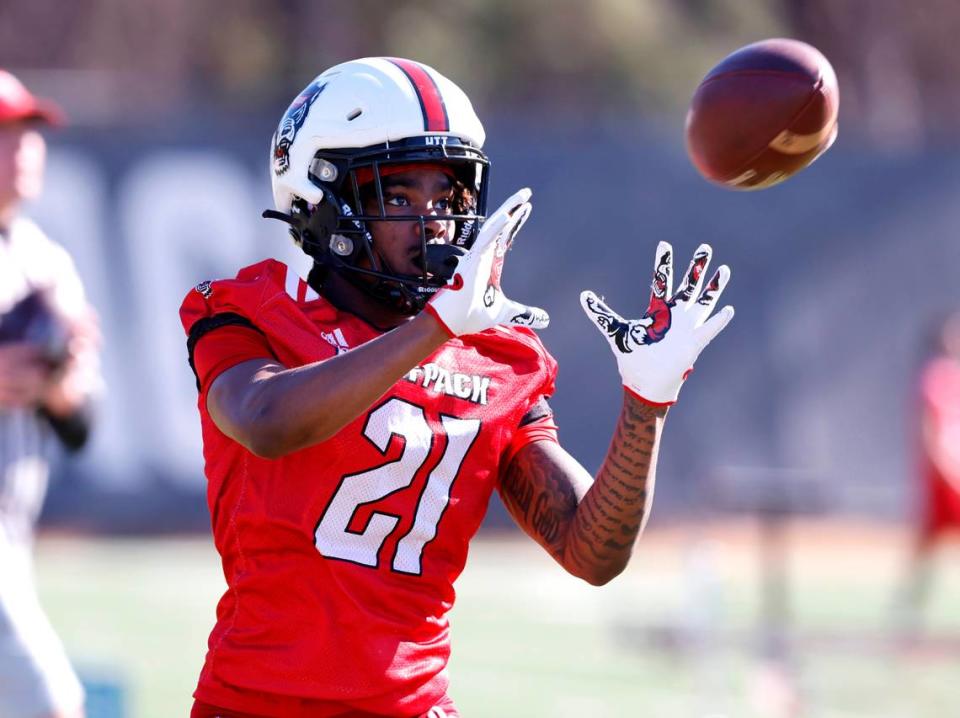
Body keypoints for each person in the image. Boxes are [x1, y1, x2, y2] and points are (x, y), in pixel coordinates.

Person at [181, 57, 734, 718]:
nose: (434, 222)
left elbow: (592, 552)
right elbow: (266, 420)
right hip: (259, 705)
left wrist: (647, 404)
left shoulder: (494, 352)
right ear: (321, 198)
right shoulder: (254, 310)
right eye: (398, 196)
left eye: (448, 197)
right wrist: (437, 327)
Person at [0, 69, 101, 718]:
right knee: (50, 704)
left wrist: (60, 387)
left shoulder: (45, 261)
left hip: (13, 536)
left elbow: (82, 426)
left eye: (29, 134)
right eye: (6, 135)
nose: (24, 150)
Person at [895, 310, 960, 638]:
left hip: (956, 478)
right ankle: (908, 615)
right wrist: (945, 467)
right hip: (942, 480)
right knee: (925, 550)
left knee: (926, 550)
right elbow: (931, 432)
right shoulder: (935, 377)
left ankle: (907, 614)